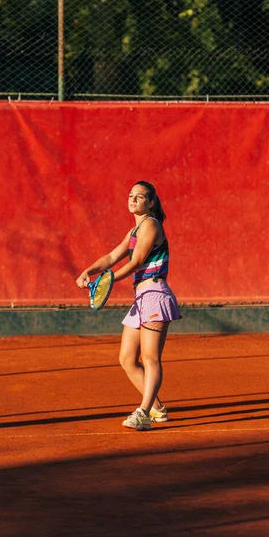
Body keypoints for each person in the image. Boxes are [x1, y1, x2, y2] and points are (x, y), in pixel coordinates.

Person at [76, 180, 181, 431]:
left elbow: (136, 262)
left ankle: (143, 413)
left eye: (140, 196)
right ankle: (157, 408)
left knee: (150, 358)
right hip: (140, 299)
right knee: (126, 358)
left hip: (155, 294)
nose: (133, 199)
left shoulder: (151, 226)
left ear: (151, 202)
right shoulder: (133, 231)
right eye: (131, 195)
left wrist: (108, 280)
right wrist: (88, 271)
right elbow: (112, 257)